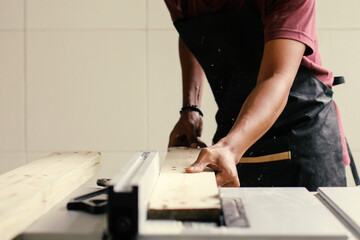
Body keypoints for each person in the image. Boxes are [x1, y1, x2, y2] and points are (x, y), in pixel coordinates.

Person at [165, 0, 351, 191]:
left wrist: (230, 148)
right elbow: (192, 35)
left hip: (303, 128)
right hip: (233, 129)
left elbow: (276, 76)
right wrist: (191, 108)